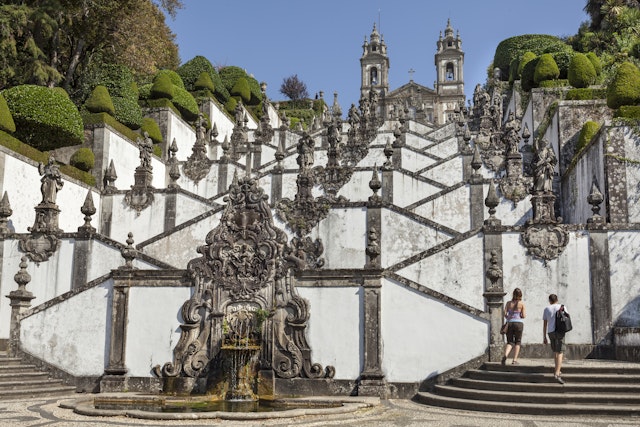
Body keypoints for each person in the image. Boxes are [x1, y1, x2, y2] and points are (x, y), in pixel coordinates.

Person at [543, 294, 565, 384]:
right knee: (560, 352)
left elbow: (545, 324)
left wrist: (544, 336)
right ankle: (557, 373)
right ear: (557, 299)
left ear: (549, 300)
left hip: (551, 332)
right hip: (560, 331)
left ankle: (557, 369)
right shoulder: (562, 307)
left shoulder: (547, 309)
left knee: (555, 351)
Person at [501, 288, 526, 365]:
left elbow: (505, 314)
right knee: (517, 342)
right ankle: (514, 360)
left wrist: (509, 317)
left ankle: (505, 355)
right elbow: (524, 315)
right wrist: (519, 315)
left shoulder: (508, 303)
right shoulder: (521, 304)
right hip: (519, 323)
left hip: (510, 323)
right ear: (520, 295)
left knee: (510, 342)